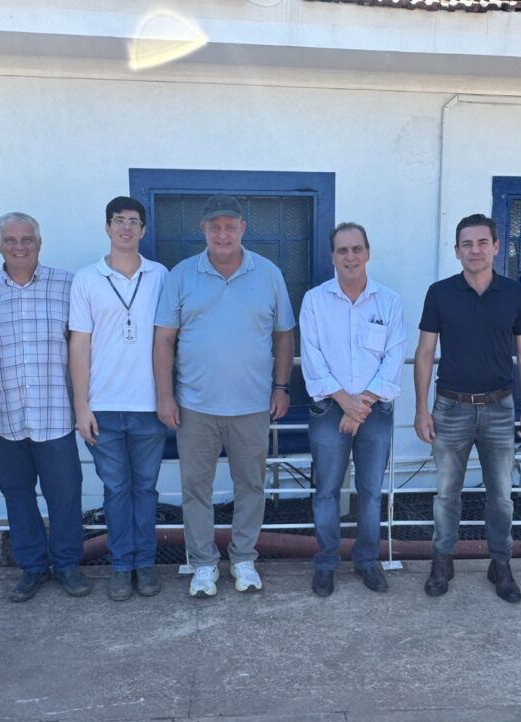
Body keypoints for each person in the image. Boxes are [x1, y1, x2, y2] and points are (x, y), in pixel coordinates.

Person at [154, 195, 295, 597]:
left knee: (250, 485)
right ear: (203, 230)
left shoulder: (268, 273)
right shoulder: (182, 275)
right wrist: (165, 396)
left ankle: (244, 559)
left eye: (229, 226)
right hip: (195, 406)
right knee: (195, 489)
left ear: (243, 229)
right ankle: (202, 564)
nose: (222, 233)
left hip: (252, 405)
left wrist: (281, 386)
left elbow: (284, 335)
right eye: (214, 226)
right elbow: (164, 339)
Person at [413, 213, 521, 603]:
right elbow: (424, 353)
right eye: (467, 244)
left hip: (500, 407)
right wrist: (421, 408)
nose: (475, 250)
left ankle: (500, 562)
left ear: (496, 247)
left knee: (501, 495)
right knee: (446, 493)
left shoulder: (515, 294)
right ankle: (442, 559)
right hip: (450, 407)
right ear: (456, 251)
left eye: (482, 242)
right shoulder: (439, 293)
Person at [0, 212, 90, 603]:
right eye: (10, 240)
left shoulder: (68, 285)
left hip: (55, 413)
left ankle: (68, 565)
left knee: (66, 495)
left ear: (40, 242)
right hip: (3, 416)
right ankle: (33, 568)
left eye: (27, 239)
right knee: (17, 494)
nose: (19, 246)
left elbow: (85, 347)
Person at [299, 223, 406, 597]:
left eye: (356, 249)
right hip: (329, 410)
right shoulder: (314, 301)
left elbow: (394, 355)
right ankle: (326, 563)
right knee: (326, 491)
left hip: (374, 411)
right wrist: (345, 401)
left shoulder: (388, 302)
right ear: (332, 256)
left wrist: (362, 405)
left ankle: (366, 561)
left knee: (370, 491)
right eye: (342, 250)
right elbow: (311, 356)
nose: (350, 257)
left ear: (368, 252)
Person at [70, 196, 169, 601]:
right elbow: (79, 344)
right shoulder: (87, 279)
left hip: (150, 406)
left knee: (145, 490)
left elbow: (170, 339)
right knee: (115, 491)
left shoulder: (161, 275)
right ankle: (120, 567)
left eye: (133, 221)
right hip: (104, 407)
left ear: (143, 230)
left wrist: (168, 398)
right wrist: (81, 406)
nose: (126, 228)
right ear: (107, 228)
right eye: (118, 221)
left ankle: (144, 566)